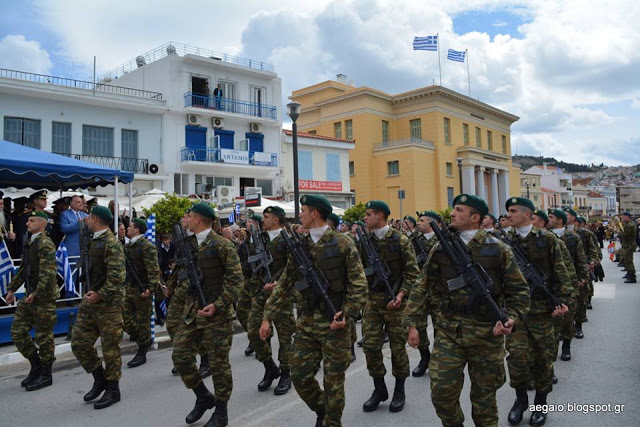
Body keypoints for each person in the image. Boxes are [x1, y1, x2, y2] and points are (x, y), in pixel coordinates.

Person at [404, 194, 530, 427]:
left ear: (475, 217)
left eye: (459, 210)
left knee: (484, 403)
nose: (452, 213)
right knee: (441, 394)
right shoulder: (442, 248)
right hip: (450, 332)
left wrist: (512, 319)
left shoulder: (498, 249)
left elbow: (520, 292)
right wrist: (413, 324)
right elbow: (421, 286)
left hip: (486, 335)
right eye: (454, 209)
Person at [259, 195, 368, 427]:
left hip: (335, 324)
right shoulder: (301, 246)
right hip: (307, 323)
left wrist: (346, 314)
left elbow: (359, 285)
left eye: (303, 210)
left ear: (315, 213)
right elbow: (284, 284)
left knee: (333, 383)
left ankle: (331, 422)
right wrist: (267, 317)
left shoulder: (342, 243)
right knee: (299, 375)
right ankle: (323, 410)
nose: (300, 215)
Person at [172, 203, 243, 427]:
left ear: (199, 220)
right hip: (193, 313)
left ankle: (221, 412)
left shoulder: (223, 246)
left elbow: (235, 281)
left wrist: (218, 305)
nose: (187, 219)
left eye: (190, 216)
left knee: (218, 364)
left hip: (218, 315)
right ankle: (203, 396)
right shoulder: (189, 245)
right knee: (180, 355)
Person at [503, 198, 571, 426]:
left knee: (543, 359)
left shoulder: (548, 239)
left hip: (542, 311)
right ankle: (520, 401)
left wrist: (561, 302)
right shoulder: (503, 241)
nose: (508, 215)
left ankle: (540, 404)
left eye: (513, 211)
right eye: (508, 211)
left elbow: (561, 272)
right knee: (517, 359)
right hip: (515, 312)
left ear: (527, 214)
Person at [360, 201, 419, 413]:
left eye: (368, 214)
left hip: (396, 303)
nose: (365, 218)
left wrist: (401, 294)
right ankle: (379, 388)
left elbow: (413, 273)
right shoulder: (363, 241)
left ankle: (399, 390)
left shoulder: (400, 240)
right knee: (370, 347)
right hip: (372, 302)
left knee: (397, 349)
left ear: (380, 215)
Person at [71, 206, 126, 409]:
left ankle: (113, 389)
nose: (86, 221)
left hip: (108, 304)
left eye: (88, 218)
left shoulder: (112, 244)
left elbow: (117, 277)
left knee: (110, 349)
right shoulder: (93, 240)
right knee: (79, 344)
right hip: (91, 301)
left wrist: (100, 294)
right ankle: (100, 378)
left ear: (95, 219)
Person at [4, 211, 58, 391]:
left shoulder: (45, 244)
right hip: (30, 296)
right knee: (18, 332)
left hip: (43, 298)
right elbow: (23, 269)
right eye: (27, 220)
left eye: (32, 220)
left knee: (44, 337)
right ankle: (36, 366)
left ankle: (46, 374)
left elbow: (48, 274)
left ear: (42, 224)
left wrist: (36, 293)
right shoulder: (30, 243)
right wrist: (12, 288)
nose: (27, 223)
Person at [245, 206, 296, 395]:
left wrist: (279, 283)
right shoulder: (261, 239)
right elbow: (253, 267)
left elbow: (295, 267)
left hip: (282, 294)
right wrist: (254, 292)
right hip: (261, 293)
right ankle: (269, 367)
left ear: (275, 220)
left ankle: (285, 373)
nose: (262, 220)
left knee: (284, 336)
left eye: (266, 217)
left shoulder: (288, 240)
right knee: (253, 332)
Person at [547, 209, 587, 362]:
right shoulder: (544, 236)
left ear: (560, 221)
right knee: (552, 323)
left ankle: (566, 347)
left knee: (568, 317)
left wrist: (582, 277)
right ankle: (551, 356)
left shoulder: (572, 237)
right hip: (550, 284)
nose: (548, 219)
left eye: (551, 217)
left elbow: (580, 258)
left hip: (570, 281)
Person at [123, 218, 161, 368]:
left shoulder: (146, 246)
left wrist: (150, 288)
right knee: (125, 318)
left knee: (143, 320)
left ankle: (142, 352)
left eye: (130, 227)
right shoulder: (128, 246)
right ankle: (143, 339)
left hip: (142, 289)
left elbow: (153, 269)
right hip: (130, 287)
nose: (127, 228)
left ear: (137, 229)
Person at [409, 210, 442, 378]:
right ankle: (425, 357)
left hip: (438, 292)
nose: (419, 223)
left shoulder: (443, 241)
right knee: (419, 326)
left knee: (440, 327)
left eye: (422, 220)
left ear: (432, 223)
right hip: (421, 290)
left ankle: (437, 359)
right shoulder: (413, 240)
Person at [621, 212, 637, 283]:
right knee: (626, 260)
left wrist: (620, 230)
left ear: (627, 217)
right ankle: (629, 272)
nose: (622, 218)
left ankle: (632, 276)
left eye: (623, 217)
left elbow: (625, 234)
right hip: (627, 244)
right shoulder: (628, 224)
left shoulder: (631, 225)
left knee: (629, 260)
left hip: (629, 245)